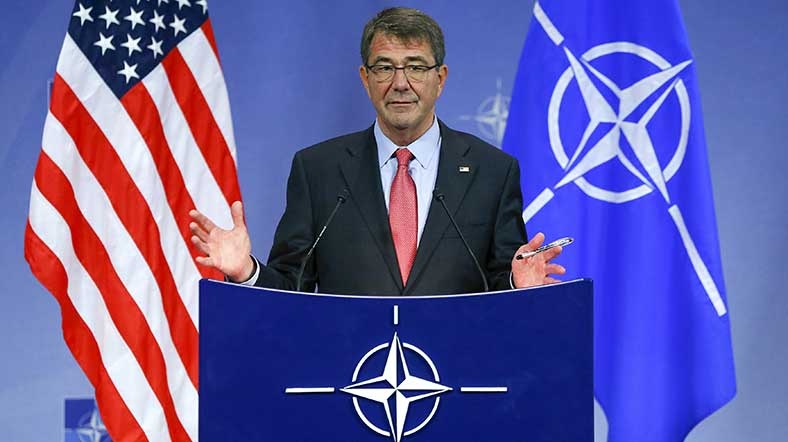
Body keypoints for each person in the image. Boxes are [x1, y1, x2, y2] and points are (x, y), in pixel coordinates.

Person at [189, 7, 565, 295]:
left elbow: (500, 287)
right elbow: (291, 289)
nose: (400, 83)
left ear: (440, 79)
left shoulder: (492, 171)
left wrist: (517, 285)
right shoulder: (318, 170)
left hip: (454, 369)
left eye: (416, 67)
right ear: (365, 79)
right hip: (351, 370)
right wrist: (246, 271)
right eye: (385, 67)